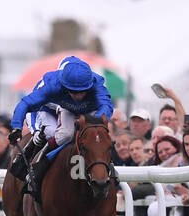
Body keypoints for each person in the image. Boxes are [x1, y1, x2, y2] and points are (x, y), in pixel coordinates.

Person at [7, 55, 114, 198]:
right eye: (74, 91)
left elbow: (106, 106)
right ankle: (36, 162)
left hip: (87, 111)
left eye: (83, 91)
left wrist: (94, 121)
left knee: (97, 135)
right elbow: (25, 104)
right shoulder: (52, 84)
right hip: (59, 109)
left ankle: (111, 170)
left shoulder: (97, 83)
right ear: (64, 85)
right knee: (65, 134)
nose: (78, 96)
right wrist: (16, 127)